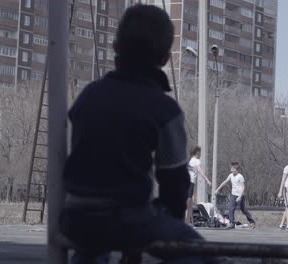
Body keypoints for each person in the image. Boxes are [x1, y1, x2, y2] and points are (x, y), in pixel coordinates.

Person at [59, 4, 211, 263]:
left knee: (89, 249)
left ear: (116, 47)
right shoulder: (164, 110)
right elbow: (174, 184)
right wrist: (161, 221)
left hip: (76, 216)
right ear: (164, 58)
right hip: (128, 218)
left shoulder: (89, 96)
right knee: (196, 248)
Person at [214, 162, 256, 229]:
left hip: (240, 195)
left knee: (243, 210)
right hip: (233, 195)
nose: (232, 170)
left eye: (233, 169)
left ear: (236, 170)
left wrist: (240, 196)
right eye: (231, 169)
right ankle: (231, 223)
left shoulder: (240, 176)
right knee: (231, 209)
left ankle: (252, 222)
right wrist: (217, 189)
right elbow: (224, 182)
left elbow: (243, 187)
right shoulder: (230, 175)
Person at [186, 146, 211, 224]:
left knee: (190, 203)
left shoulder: (190, 160)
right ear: (197, 152)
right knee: (188, 202)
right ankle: (185, 221)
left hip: (188, 181)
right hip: (189, 182)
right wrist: (207, 180)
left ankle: (191, 222)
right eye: (200, 152)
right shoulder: (196, 161)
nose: (200, 154)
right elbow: (200, 171)